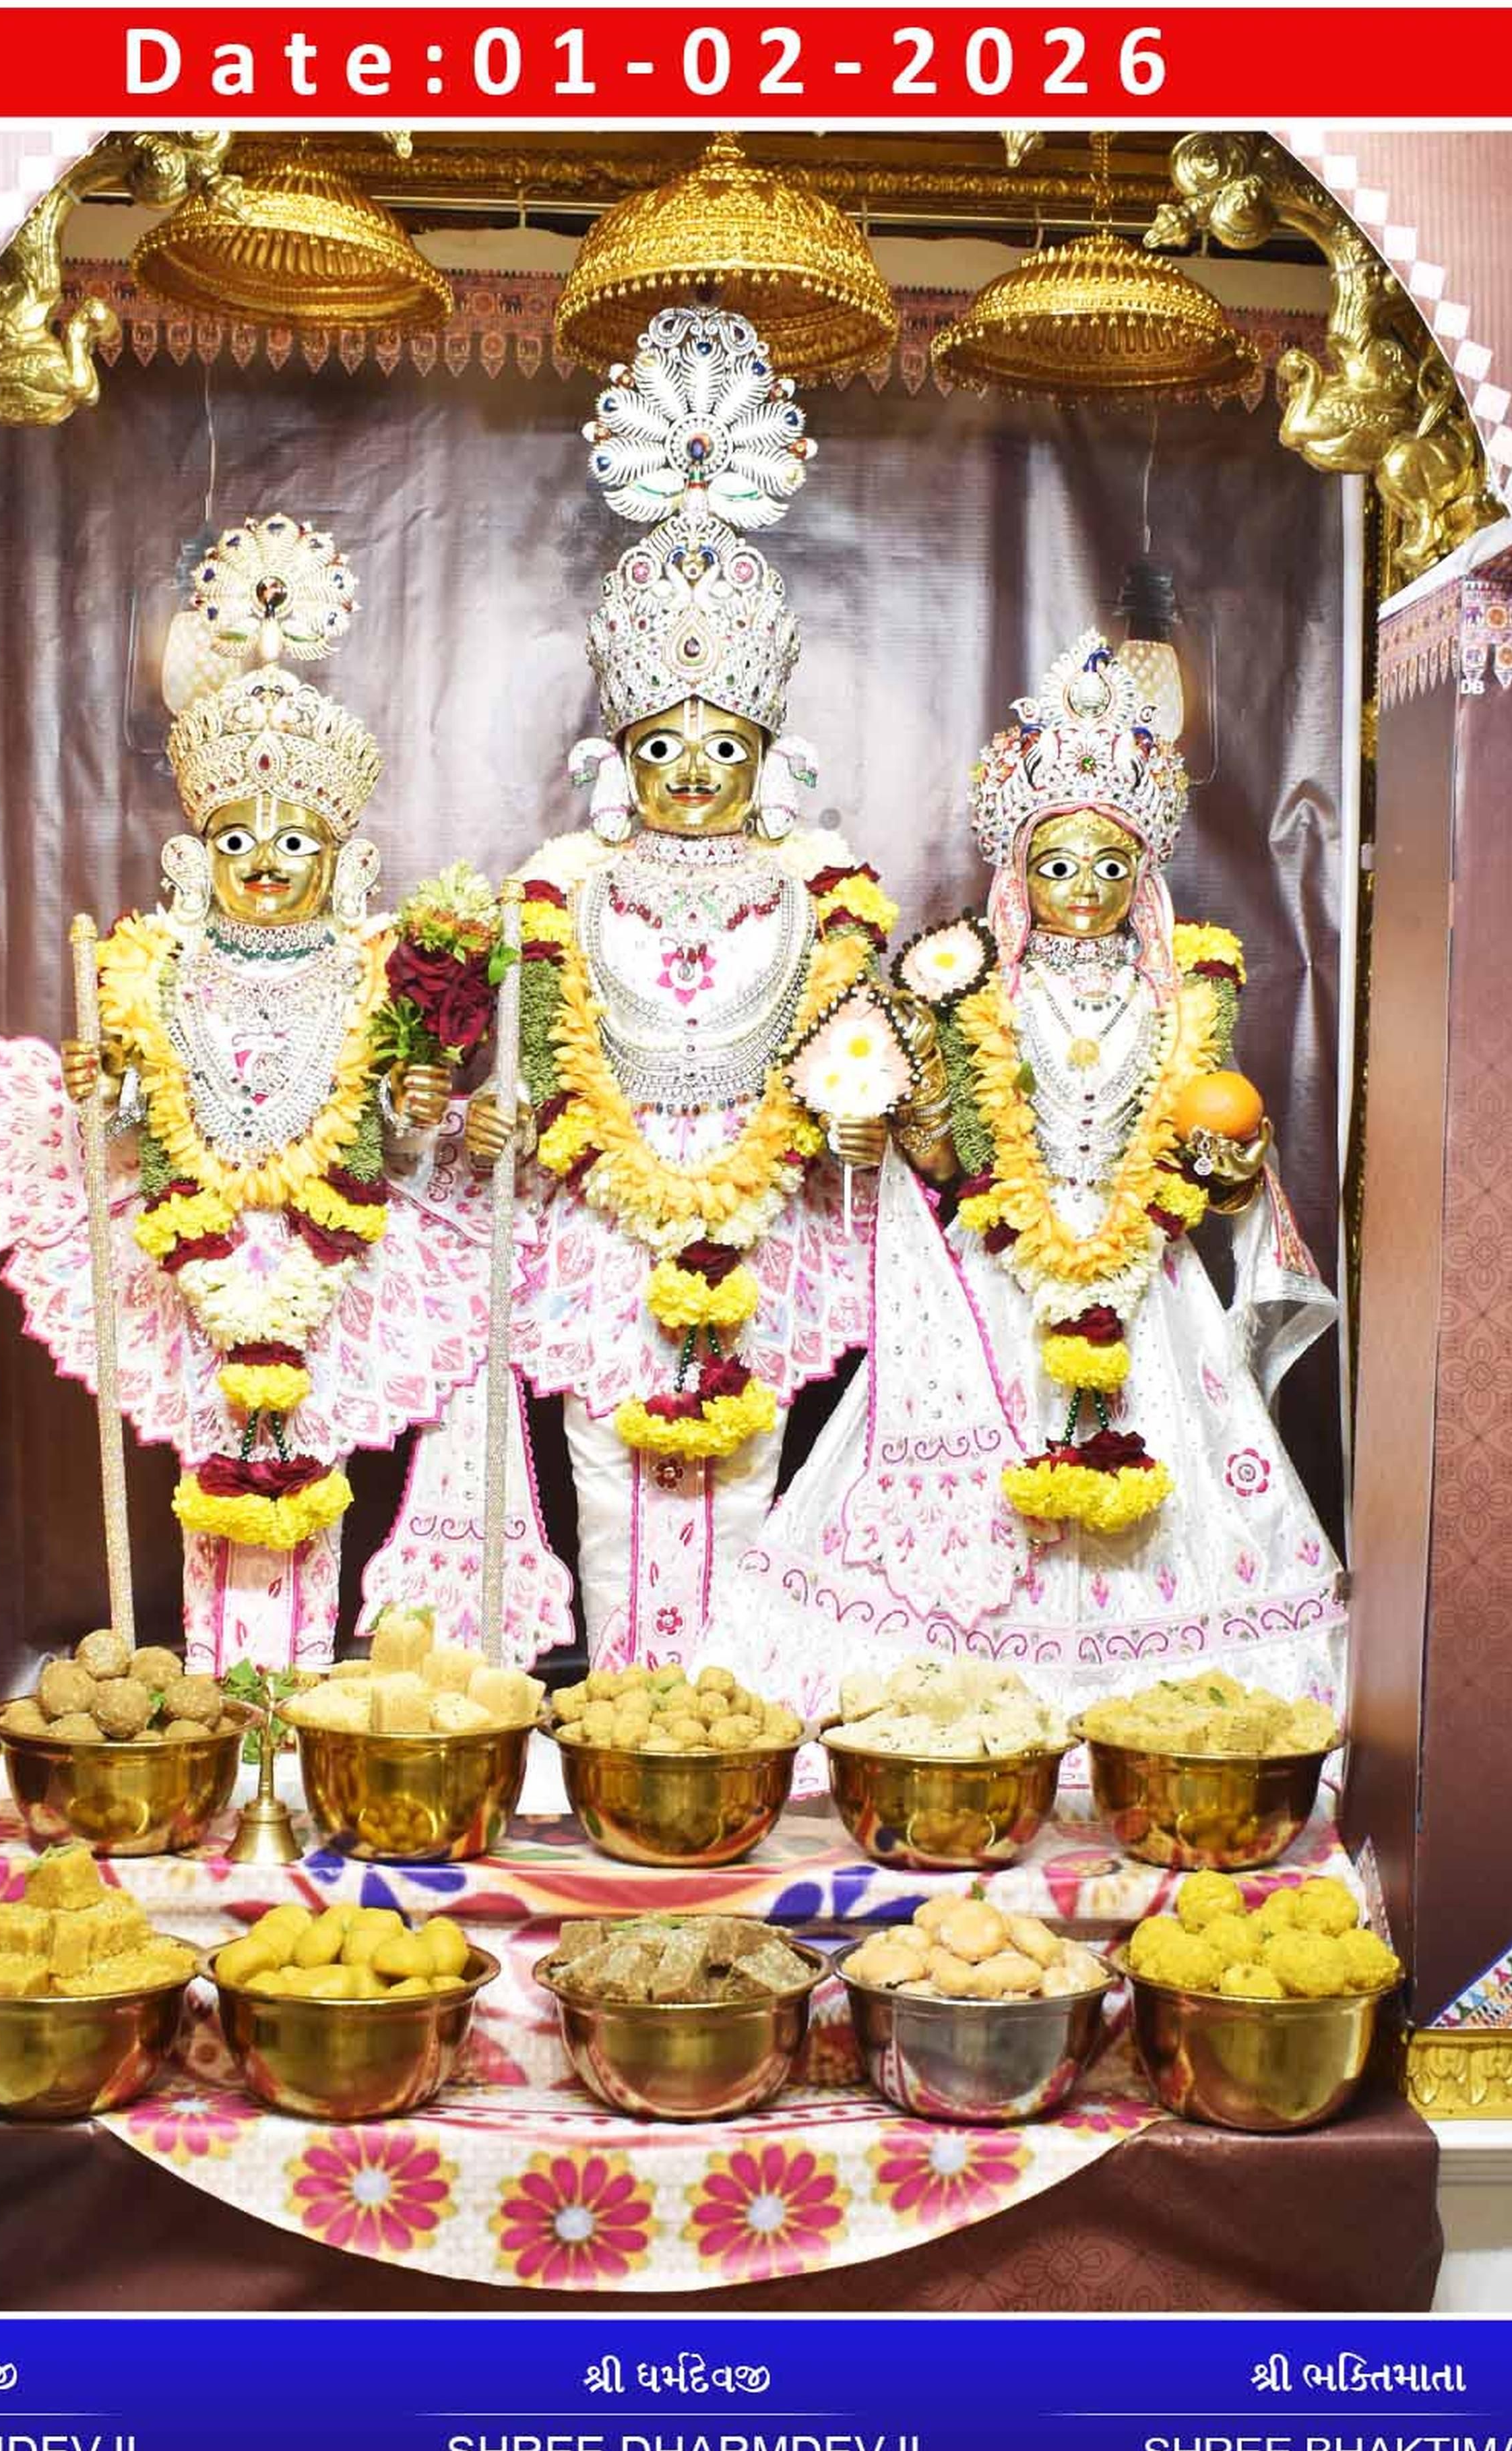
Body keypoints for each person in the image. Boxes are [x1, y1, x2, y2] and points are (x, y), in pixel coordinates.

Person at [701, 627, 1345, 1729]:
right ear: (1018, 874)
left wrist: (1234, 1172)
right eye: (1057, 865)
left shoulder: (1189, 990)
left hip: (1148, 1286)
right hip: (998, 1284)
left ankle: (1156, 1706)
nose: (1083, 889)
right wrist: (901, 1122)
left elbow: (1210, 1162)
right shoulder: (972, 992)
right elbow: (953, 1161)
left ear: (1143, 873)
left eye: (1109, 866)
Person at [0, 512, 569, 1677]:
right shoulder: (157, 963)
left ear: (340, 859)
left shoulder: (376, 966)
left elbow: (390, 1139)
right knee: (216, 1461)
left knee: (306, 1464)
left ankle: (294, 1713)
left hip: (326, 1258)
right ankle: (219, 1698)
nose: (266, 864)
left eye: (296, 844)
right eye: (239, 838)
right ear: (200, 854)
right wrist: (109, 1087)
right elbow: (147, 1116)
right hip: (191, 1254)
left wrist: (415, 1101)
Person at [462, 306, 900, 1665]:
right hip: (604, 1214)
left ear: (766, 753)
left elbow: (854, 1066)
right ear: (621, 753)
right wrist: (489, 1117)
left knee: (748, 1473)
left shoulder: (820, 890)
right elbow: (520, 1075)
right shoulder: (561, 889)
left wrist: (860, 1130)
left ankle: (737, 1720)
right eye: (663, 743)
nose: (696, 770)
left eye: (723, 744)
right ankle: (619, 1718)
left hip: (764, 1216)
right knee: (611, 1473)